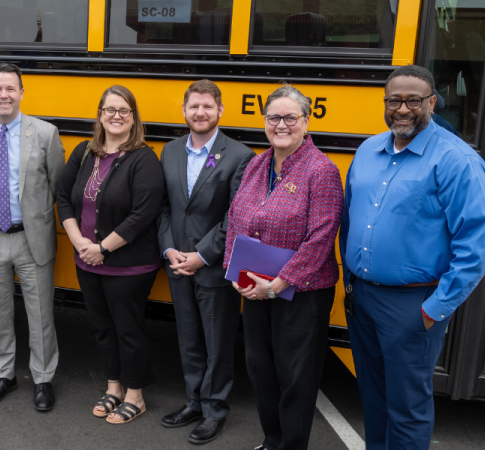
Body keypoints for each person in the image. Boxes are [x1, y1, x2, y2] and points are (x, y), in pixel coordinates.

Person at [340, 65, 485, 450]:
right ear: (385, 103)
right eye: (394, 100)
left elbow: (474, 246)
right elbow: (348, 217)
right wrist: (350, 280)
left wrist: (434, 308)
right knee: (372, 398)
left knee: (407, 408)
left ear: (432, 103)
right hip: (363, 299)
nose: (403, 109)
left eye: (413, 100)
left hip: (413, 305)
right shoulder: (369, 149)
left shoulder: (457, 161)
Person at [223, 84, 344, 450]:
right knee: (262, 370)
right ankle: (272, 439)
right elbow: (235, 219)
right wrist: (234, 271)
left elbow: (321, 240)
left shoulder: (321, 171)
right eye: (274, 117)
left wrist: (276, 285)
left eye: (290, 117)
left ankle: (291, 445)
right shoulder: (258, 164)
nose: (281, 124)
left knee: (296, 378)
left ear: (306, 122)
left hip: (301, 294)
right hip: (254, 287)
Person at [0, 63, 65, 411]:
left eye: (10, 89)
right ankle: (2, 375)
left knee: (40, 316)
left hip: (31, 240)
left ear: (22, 92)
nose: (3, 95)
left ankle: (43, 379)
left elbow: (56, 186)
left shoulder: (46, 133)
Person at [57, 85, 164, 424]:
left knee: (127, 329)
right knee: (103, 328)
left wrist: (102, 248)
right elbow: (63, 197)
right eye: (110, 110)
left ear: (133, 118)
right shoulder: (84, 153)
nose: (116, 116)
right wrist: (80, 244)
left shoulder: (143, 159)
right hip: (87, 261)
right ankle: (114, 387)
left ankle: (136, 394)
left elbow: (142, 215)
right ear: (100, 115)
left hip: (128, 265)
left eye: (124, 111)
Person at [157, 80, 255, 443]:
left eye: (207, 107)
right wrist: (169, 250)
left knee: (218, 342)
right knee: (189, 340)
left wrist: (200, 256)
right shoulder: (169, 152)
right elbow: (163, 207)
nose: (200, 113)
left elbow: (236, 216)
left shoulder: (240, 156)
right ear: (184, 111)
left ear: (220, 111)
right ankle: (194, 402)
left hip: (213, 267)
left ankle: (215, 409)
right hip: (177, 264)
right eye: (194, 106)